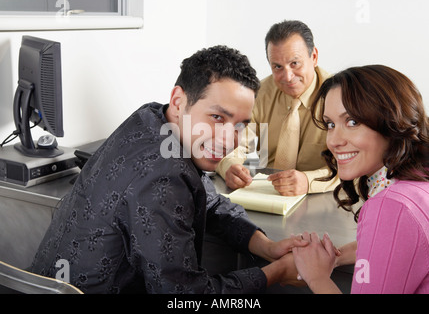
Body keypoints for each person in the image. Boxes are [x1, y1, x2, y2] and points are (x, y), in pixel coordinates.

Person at [31, 45, 307, 294]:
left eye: (240, 124)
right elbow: (187, 297)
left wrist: (264, 245)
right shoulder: (163, 176)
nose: (229, 139)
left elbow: (207, 198)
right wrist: (275, 273)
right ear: (178, 102)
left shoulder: (151, 117)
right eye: (217, 117)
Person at [292, 65, 429, 294]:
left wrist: (316, 278)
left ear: (390, 122)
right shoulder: (418, 181)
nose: (334, 140)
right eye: (330, 124)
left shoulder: (391, 206)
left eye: (352, 122)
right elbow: (406, 243)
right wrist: (340, 255)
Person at [216, 20, 339, 196]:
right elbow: (233, 143)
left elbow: (353, 165)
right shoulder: (259, 93)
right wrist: (229, 166)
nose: (287, 77)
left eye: (295, 63)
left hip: (323, 198)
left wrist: (309, 181)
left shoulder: (340, 96)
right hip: (269, 193)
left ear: (314, 57)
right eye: (278, 67)